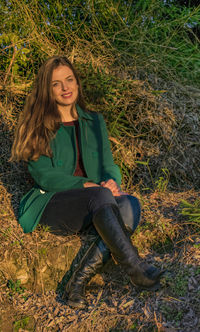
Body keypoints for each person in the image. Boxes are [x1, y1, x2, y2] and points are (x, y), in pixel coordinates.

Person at [10, 55, 163, 309]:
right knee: (102, 197)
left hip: (96, 201)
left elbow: (107, 164)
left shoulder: (94, 121)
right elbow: (44, 175)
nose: (65, 88)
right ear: (46, 90)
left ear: (77, 83)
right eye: (56, 84)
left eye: (69, 80)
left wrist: (112, 181)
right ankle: (136, 269)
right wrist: (88, 186)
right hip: (53, 202)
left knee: (130, 204)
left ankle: (77, 282)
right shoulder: (37, 124)